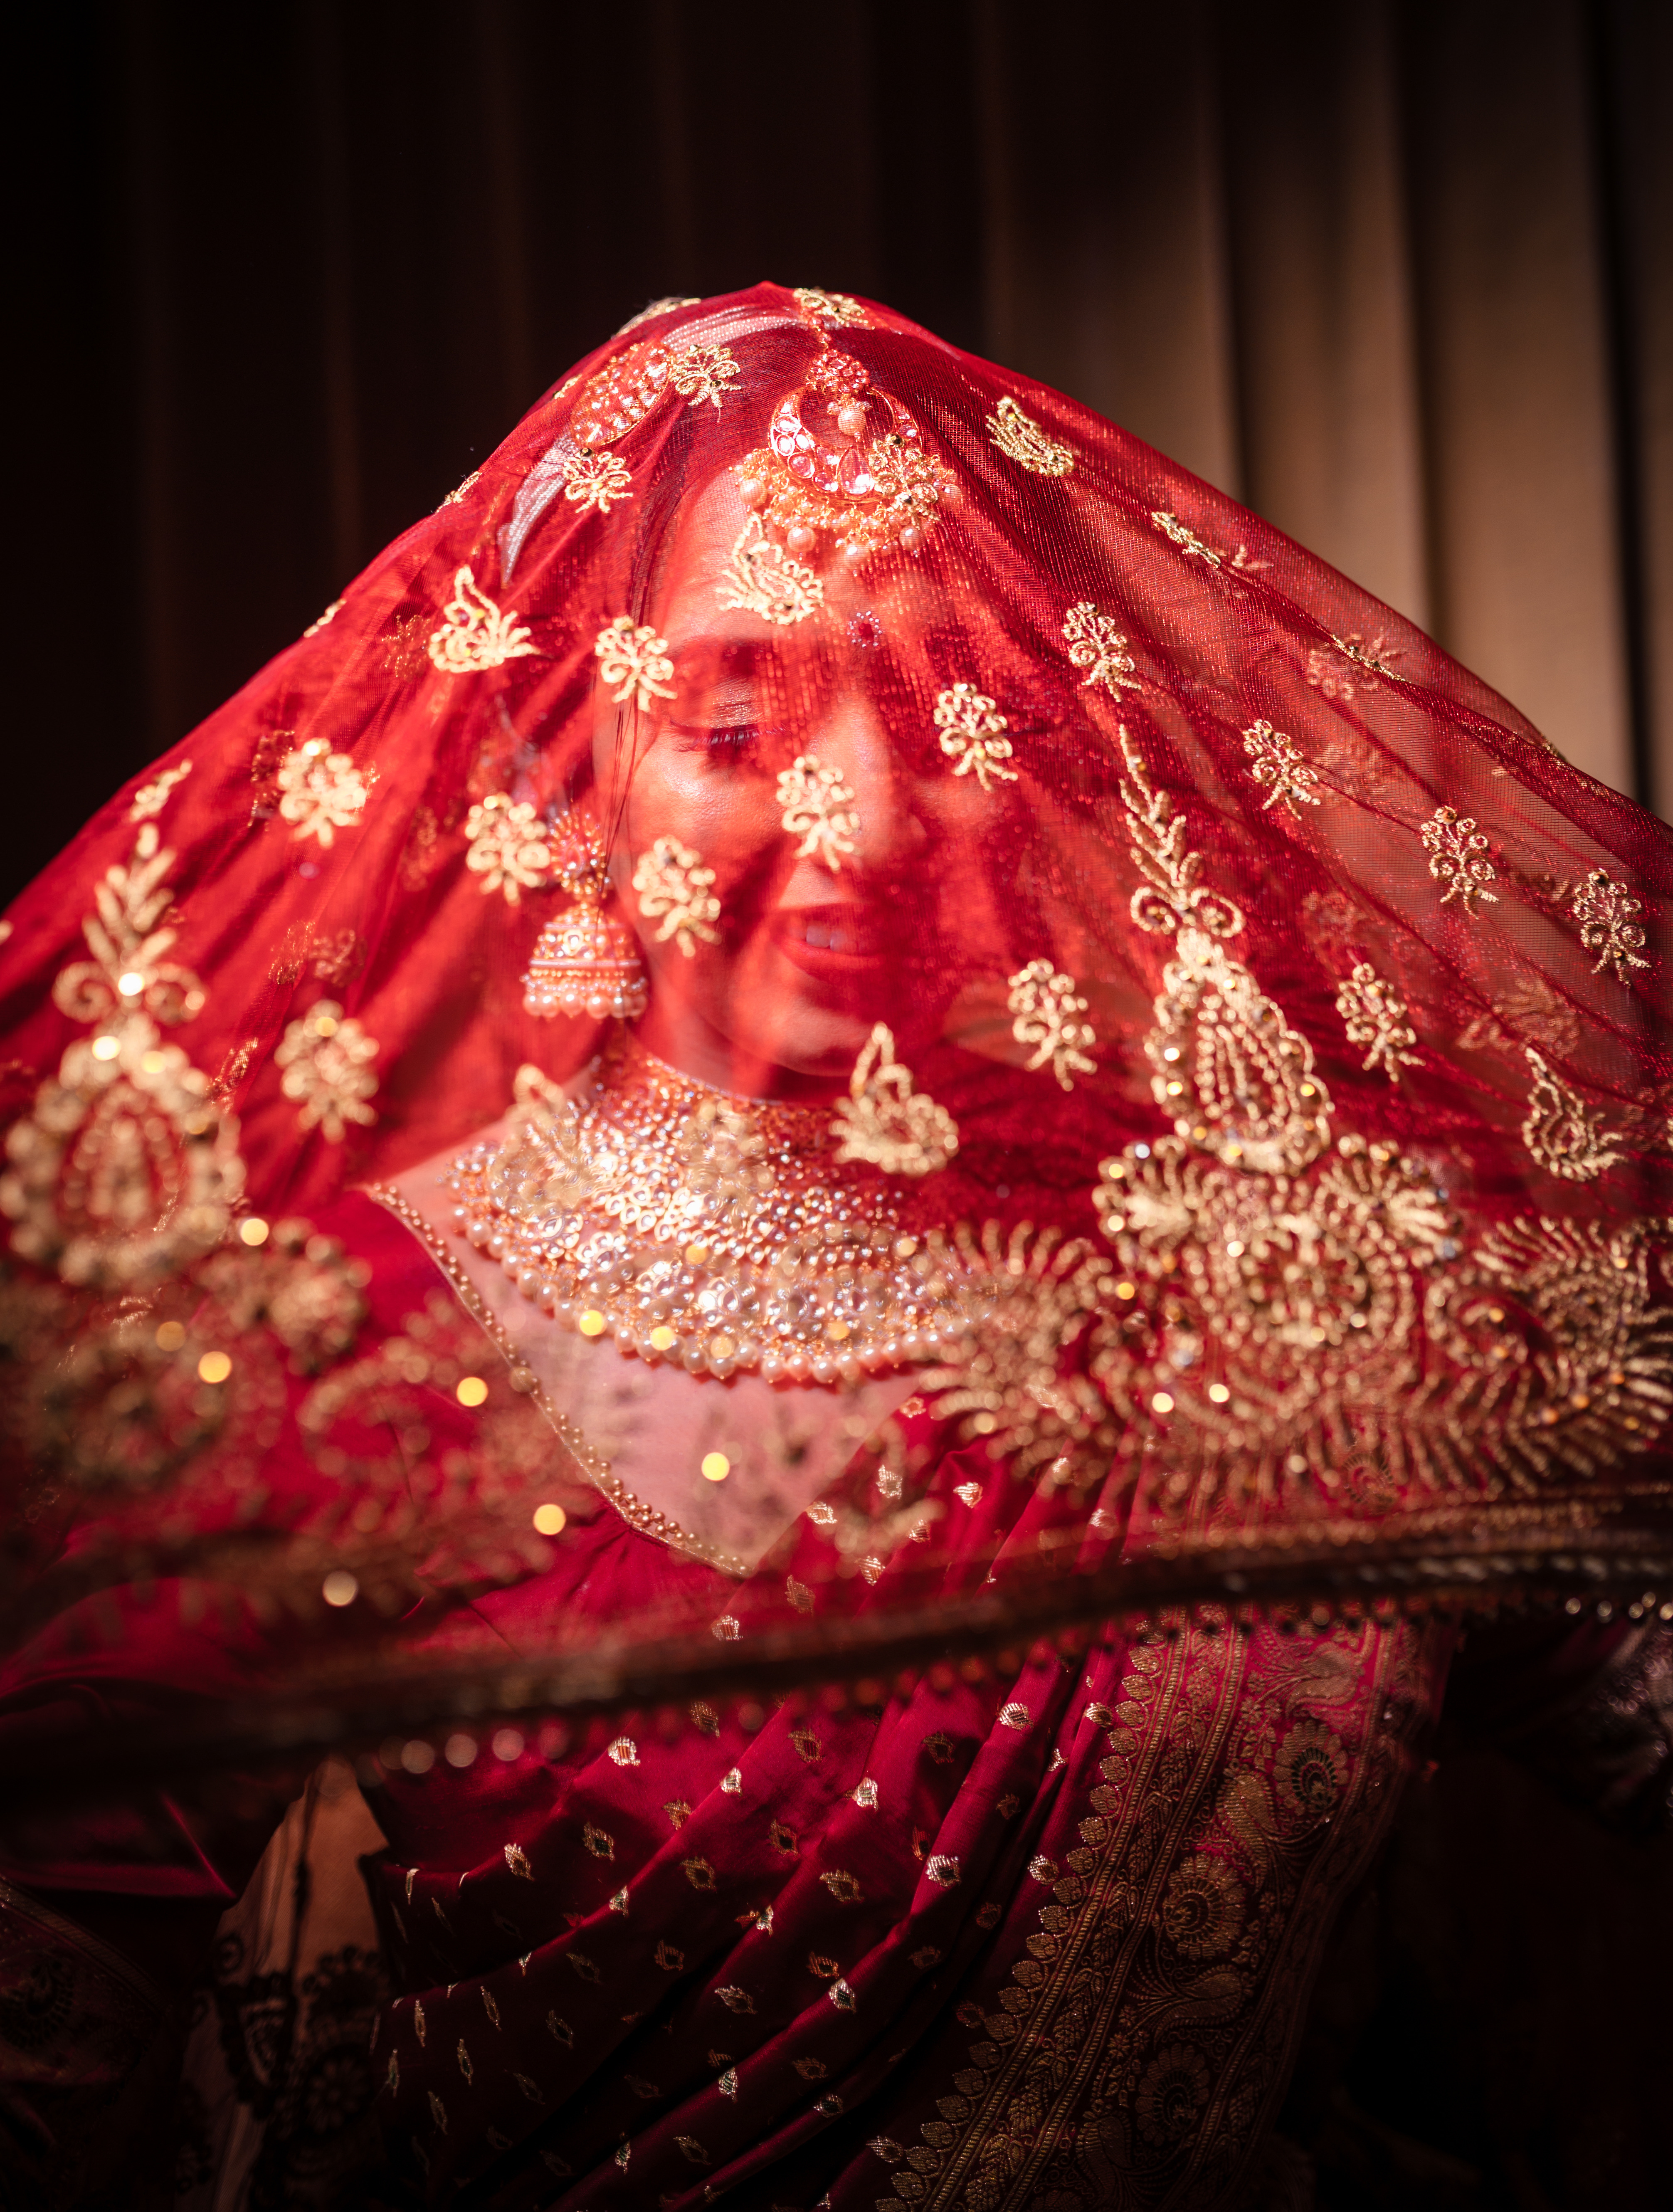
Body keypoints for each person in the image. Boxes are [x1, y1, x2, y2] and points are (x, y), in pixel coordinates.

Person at [1, 285, 1669, 2209]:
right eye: (734, 719)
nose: (863, 816)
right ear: (570, 767)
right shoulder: (344, 1345)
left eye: (951, 707)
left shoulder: (1279, 1276)